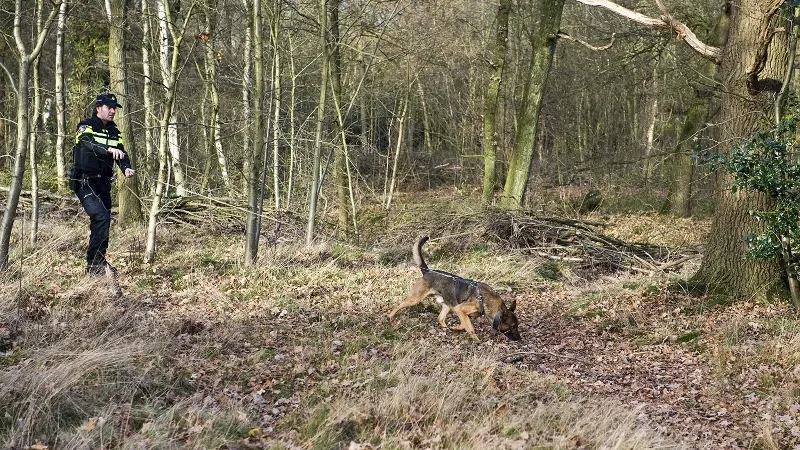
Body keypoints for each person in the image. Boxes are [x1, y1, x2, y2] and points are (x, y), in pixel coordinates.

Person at [68, 92, 136, 275]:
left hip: (104, 184)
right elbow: (87, 144)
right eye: (109, 108)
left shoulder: (115, 132)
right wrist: (108, 149)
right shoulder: (85, 126)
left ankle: (98, 261)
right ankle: (94, 264)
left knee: (103, 223)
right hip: (84, 182)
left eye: (114, 108)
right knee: (101, 218)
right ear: (99, 108)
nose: (113, 111)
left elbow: (121, 153)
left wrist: (126, 168)